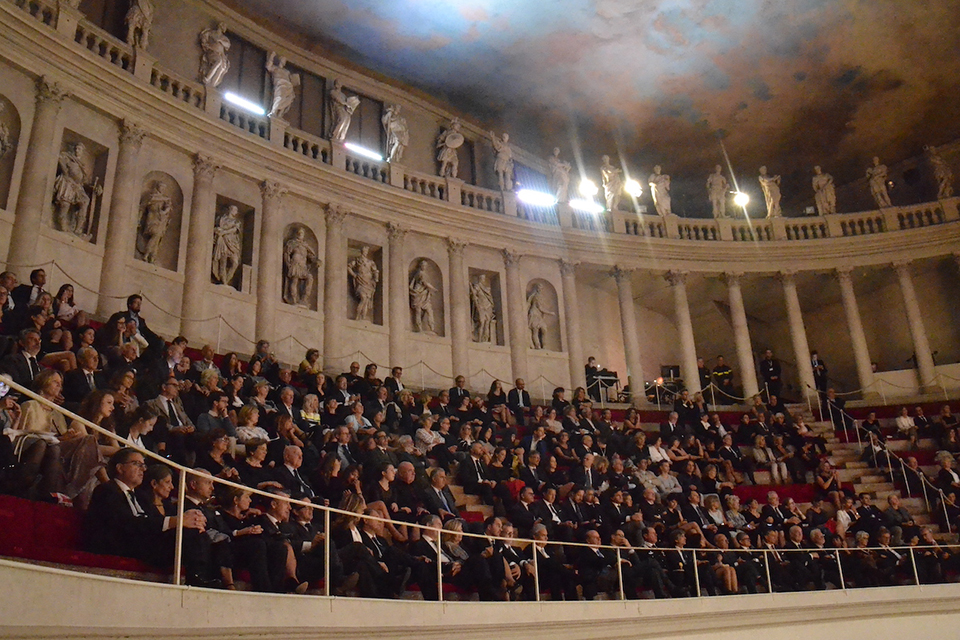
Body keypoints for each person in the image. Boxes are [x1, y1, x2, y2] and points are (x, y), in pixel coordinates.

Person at [84, 449, 214, 585]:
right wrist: (177, 520)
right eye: (136, 464)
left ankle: (198, 578)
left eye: (143, 465)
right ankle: (197, 579)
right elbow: (126, 523)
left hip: (142, 542)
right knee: (185, 530)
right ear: (120, 468)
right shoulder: (106, 490)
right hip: (119, 543)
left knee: (194, 530)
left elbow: (153, 520)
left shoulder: (140, 497)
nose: (142, 469)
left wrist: (187, 522)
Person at [199, 22, 230, 87]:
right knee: (218, 61)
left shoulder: (224, 38)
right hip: (212, 52)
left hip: (221, 55)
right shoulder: (211, 33)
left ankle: (213, 83)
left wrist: (220, 41)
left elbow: (227, 45)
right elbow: (204, 38)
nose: (224, 28)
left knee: (222, 68)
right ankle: (207, 78)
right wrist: (206, 44)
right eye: (223, 26)